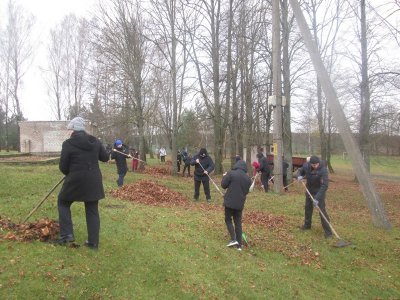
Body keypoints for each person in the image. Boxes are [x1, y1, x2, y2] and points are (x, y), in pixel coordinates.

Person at [54, 117, 109, 250]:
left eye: (70, 129)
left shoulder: (68, 144)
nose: (69, 131)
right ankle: (93, 243)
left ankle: (67, 235)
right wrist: (104, 148)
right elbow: (105, 157)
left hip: (75, 180)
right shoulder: (95, 141)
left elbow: (63, 167)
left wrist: (70, 172)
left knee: (63, 202)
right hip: (93, 181)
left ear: (73, 129)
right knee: (92, 209)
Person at [297, 155, 333, 238]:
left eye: (316, 164)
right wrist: (299, 176)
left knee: (322, 211)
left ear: (318, 163)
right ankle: (307, 225)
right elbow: (300, 171)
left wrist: (317, 198)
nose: (315, 166)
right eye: (313, 165)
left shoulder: (323, 169)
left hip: (319, 192)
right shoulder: (306, 165)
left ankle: (328, 232)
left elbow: (325, 185)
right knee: (308, 208)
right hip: (309, 190)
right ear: (310, 164)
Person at [221, 160, 252, 251]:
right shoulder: (248, 179)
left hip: (230, 202)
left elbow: (223, 185)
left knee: (228, 219)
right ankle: (239, 245)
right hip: (240, 204)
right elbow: (246, 191)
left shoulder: (231, 173)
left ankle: (234, 239)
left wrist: (224, 177)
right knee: (238, 222)